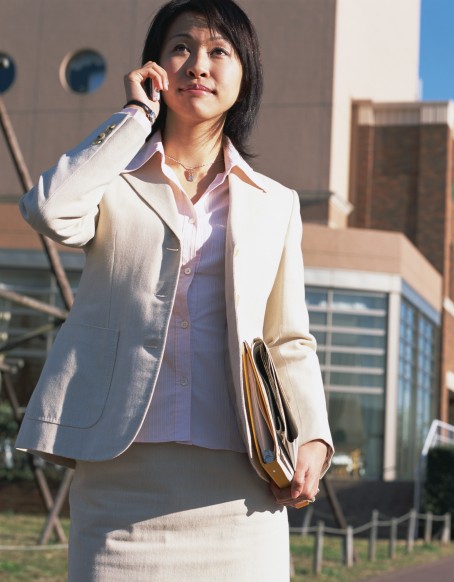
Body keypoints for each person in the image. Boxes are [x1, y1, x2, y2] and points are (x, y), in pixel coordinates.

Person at [15, 0, 332, 579]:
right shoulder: (111, 177)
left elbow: (288, 337)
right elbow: (48, 211)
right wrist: (135, 118)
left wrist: (312, 436)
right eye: (180, 48)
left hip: (243, 484)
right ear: (155, 68)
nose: (198, 65)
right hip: (120, 483)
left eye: (219, 51)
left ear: (245, 75)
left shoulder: (275, 203)